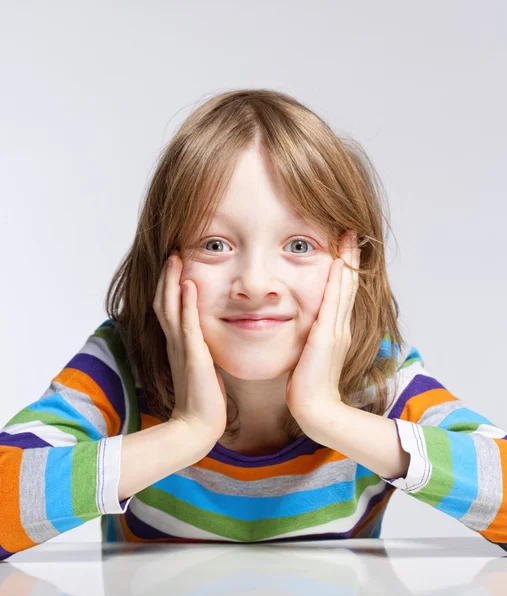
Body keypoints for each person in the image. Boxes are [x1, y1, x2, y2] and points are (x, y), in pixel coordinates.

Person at [1, 88, 506, 561]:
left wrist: (328, 415)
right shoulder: (121, 366)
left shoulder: (376, 374)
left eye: (299, 245)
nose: (256, 283)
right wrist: (187, 432)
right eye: (215, 244)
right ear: (163, 262)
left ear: (353, 266)